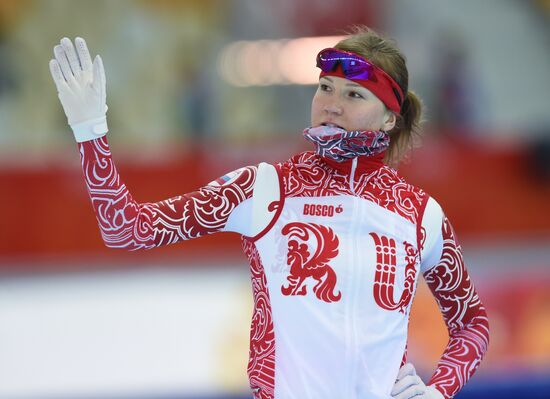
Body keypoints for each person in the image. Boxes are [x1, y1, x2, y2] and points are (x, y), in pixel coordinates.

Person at [49, 27, 489, 399]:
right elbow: (126, 229)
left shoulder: (418, 213)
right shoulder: (264, 189)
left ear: (390, 119)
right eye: (325, 87)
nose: (331, 104)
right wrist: (91, 131)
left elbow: (472, 323)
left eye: (354, 94)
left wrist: (438, 391)